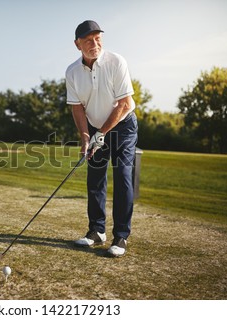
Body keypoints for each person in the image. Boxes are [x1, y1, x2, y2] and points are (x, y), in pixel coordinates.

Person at [65, 20, 138, 257]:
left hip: (123, 126)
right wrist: (86, 136)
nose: (94, 43)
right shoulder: (72, 72)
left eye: (97, 38)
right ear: (78, 45)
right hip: (96, 127)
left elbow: (124, 103)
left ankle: (121, 237)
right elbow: (77, 108)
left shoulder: (116, 62)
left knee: (123, 176)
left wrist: (101, 134)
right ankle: (96, 231)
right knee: (95, 177)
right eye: (88, 40)